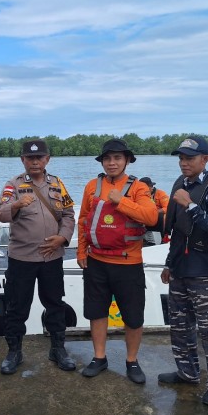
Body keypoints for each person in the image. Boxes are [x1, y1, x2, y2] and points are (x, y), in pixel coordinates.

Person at [77, 139, 158, 383]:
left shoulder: (138, 188)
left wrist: (119, 200)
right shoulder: (92, 186)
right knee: (96, 312)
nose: (112, 163)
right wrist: (81, 252)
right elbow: (83, 221)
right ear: (102, 161)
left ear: (127, 161)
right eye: (108, 158)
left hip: (128, 262)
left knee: (133, 316)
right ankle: (99, 357)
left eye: (117, 158)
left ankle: (132, 361)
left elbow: (151, 217)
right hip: (96, 261)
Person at [158, 136, 208, 406]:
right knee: (179, 326)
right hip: (179, 269)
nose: (184, 162)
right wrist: (168, 263)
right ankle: (187, 372)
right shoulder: (180, 185)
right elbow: (178, 232)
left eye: (190, 158)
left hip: (205, 273)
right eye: (181, 158)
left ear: (205, 160)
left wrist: (189, 205)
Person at [0, 139, 76, 374]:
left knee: (54, 304)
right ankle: (14, 352)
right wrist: (17, 205)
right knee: (17, 306)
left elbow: (69, 215)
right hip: (22, 258)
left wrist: (62, 238)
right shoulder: (13, 184)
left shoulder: (58, 184)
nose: (35, 161)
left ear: (47, 159)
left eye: (39, 157)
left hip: (52, 258)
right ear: (23, 160)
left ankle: (58, 349)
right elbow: (1, 214)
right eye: (30, 158)